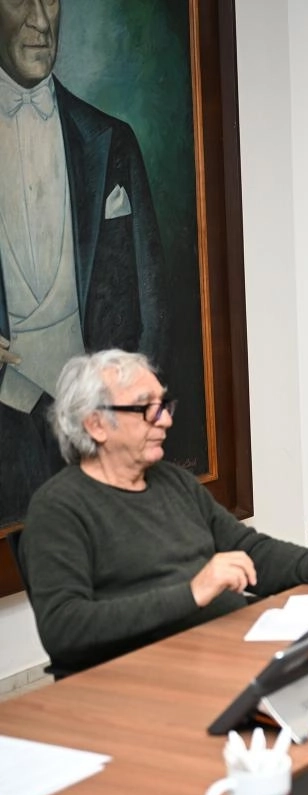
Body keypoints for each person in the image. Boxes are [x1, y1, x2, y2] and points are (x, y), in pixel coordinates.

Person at [20, 350, 308, 677]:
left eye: (164, 405)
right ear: (96, 424)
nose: (164, 420)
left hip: (227, 646)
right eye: (146, 408)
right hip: (150, 676)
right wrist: (192, 592)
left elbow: (250, 552)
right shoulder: (58, 508)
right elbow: (64, 628)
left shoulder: (172, 481)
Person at [0, 0, 167, 527]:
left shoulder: (110, 140)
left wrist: (138, 416)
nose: (39, 21)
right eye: (19, 0)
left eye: (49, 0)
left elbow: (151, 300)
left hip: (97, 417)